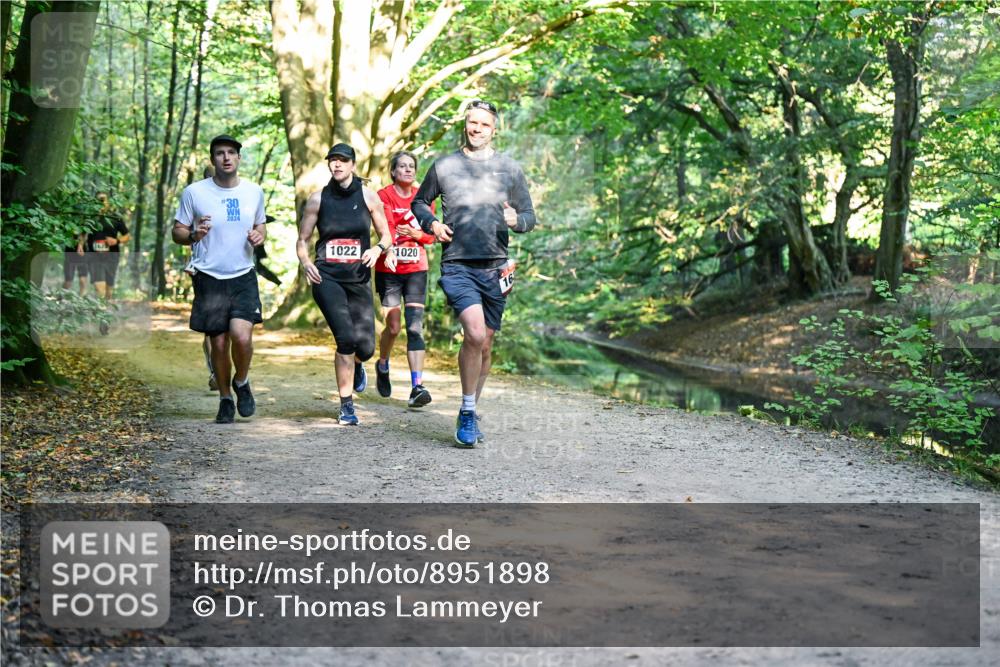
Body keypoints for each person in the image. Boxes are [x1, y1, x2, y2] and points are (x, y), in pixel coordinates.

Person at [411, 99, 536, 448]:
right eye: (471, 122)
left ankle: (471, 407)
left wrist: (517, 221)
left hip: (496, 266)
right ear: (465, 125)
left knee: (487, 341)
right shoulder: (446, 165)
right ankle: (466, 411)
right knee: (475, 334)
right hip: (458, 264)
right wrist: (432, 223)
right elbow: (419, 202)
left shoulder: (509, 169)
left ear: (494, 129)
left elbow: (529, 215)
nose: (476, 128)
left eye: (483, 124)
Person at [297, 143, 395, 426]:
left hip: (359, 278)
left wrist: (378, 250)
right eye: (333, 161)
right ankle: (346, 405)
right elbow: (302, 239)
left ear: (353, 164)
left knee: (364, 348)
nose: (337, 165)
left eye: (342, 161)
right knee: (345, 340)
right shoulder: (318, 199)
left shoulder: (368, 197)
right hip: (327, 277)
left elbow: (386, 235)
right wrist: (307, 263)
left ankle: (358, 364)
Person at [172, 134, 267, 424]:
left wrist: (259, 235)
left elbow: (260, 225)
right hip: (209, 276)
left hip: (242, 274)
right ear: (212, 160)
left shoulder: (254, 191)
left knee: (241, 336)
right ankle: (226, 398)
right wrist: (193, 235)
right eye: (219, 153)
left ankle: (242, 380)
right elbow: (177, 231)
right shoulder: (194, 192)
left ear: (238, 158)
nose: (225, 157)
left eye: (230, 153)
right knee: (219, 343)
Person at [374, 151, 436, 408]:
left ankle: (416, 387)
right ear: (393, 172)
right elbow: (384, 227)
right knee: (393, 328)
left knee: (414, 328)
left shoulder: (424, 197)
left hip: (416, 269)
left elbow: (431, 236)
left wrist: (414, 233)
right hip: (388, 269)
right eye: (402, 166)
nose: (408, 170)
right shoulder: (383, 195)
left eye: (412, 166)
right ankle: (383, 363)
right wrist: (388, 249)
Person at [87, 192, 130, 303]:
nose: (101, 202)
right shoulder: (90, 217)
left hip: (112, 255)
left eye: (103, 199)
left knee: (109, 284)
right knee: (98, 282)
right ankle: (102, 307)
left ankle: (105, 305)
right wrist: (80, 246)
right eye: (99, 200)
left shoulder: (115, 217)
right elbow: (82, 233)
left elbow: (127, 235)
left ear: (108, 202)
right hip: (94, 254)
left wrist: (117, 240)